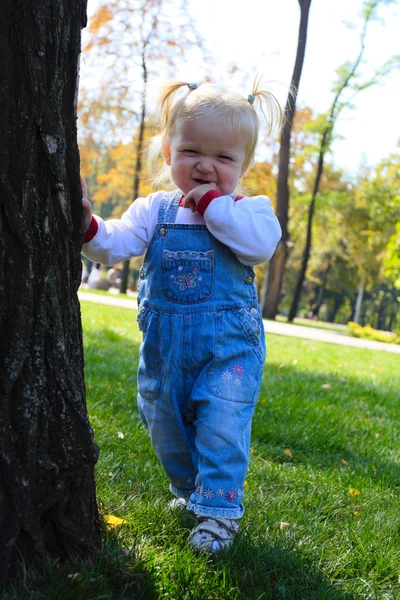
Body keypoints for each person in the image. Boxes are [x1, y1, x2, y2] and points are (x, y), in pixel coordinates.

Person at [81, 79, 283, 553]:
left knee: (223, 427)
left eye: (224, 158)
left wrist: (213, 206)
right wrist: (87, 227)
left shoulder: (249, 211)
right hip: (165, 351)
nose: (206, 166)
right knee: (164, 423)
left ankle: (218, 511)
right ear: (168, 153)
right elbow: (117, 243)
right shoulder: (155, 209)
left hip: (228, 352)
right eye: (191, 150)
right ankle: (191, 490)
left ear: (243, 166)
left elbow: (258, 248)